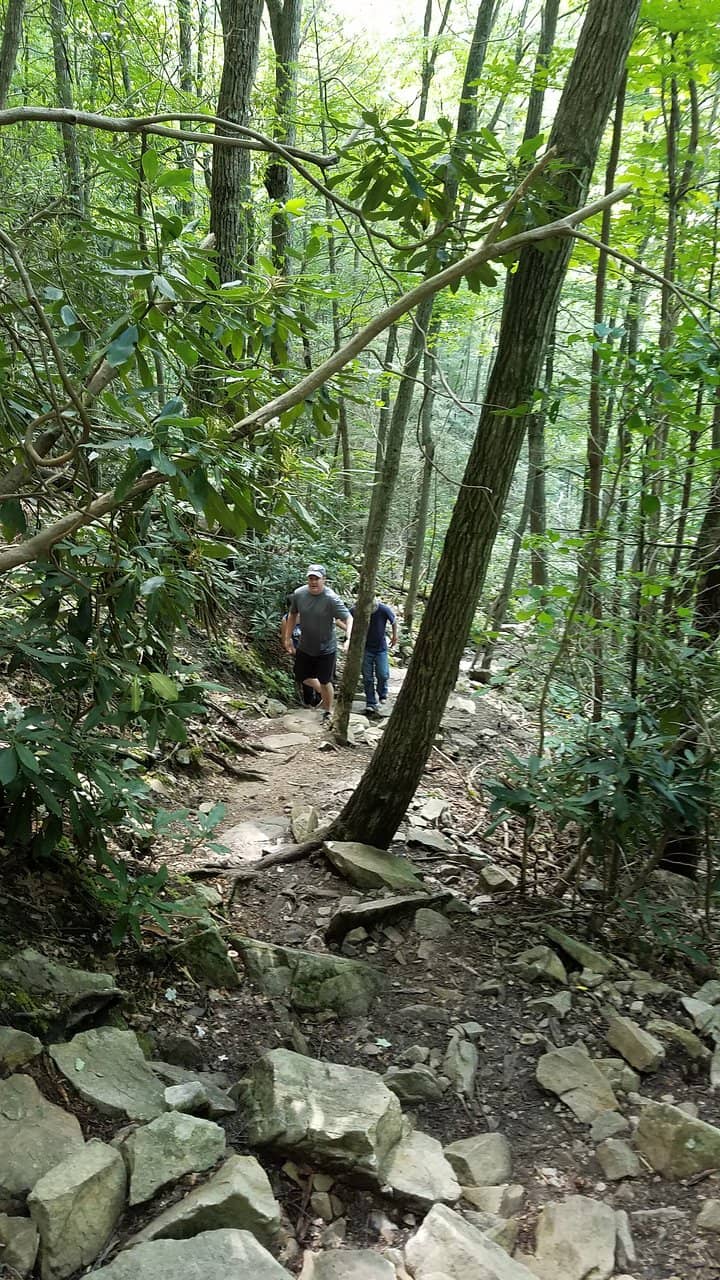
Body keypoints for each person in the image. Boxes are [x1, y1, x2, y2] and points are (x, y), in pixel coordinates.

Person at [282, 565, 352, 722]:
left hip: (326, 647)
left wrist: (349, 638)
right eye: (310, 578)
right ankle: (325, 693)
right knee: (300, 675)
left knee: (325, 680)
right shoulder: (299, 594)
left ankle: (327, 711)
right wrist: (287, 638)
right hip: (305, 645)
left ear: (324, 580)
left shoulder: (331, 598)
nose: (313, 582)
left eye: (317, 579)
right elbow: (292, 615)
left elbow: (348, 618)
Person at [353, 596, 398, 716]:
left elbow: (393, 621)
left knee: (383, 674)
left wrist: (394, 636)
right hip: (364, 648)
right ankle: (371, 702)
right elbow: (342, 619)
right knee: (367, 677)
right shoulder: (357, 609)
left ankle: (382, 693)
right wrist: (350, 630)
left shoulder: (383, 609)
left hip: (380, 648)